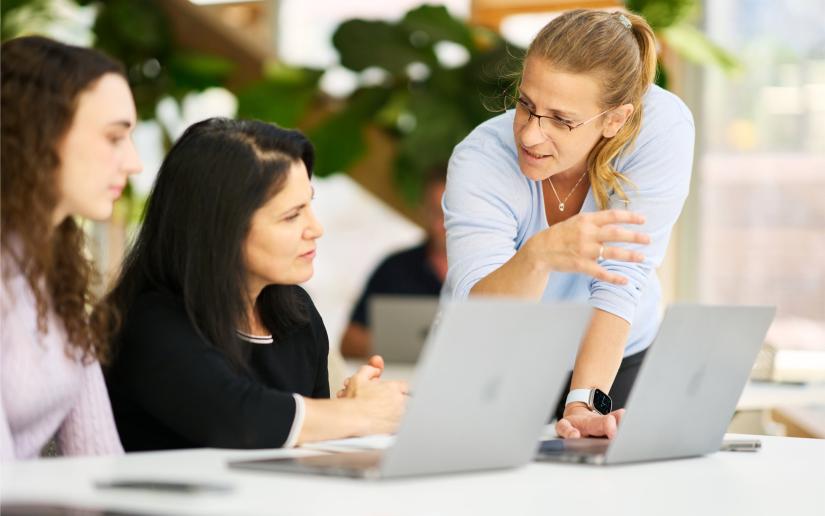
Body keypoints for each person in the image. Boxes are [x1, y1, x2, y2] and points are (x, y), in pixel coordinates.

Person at [442, 10, 694, 439]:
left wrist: (582, 402)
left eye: (561, 120)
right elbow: (482, 317)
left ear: (615, 120)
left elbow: (622, 278)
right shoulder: (482, 160)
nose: (530, 136)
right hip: (499, 353)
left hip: (615, 354)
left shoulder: (660, 128)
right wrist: (537, 257)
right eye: (525, 104)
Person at [103, 118, 408, 451]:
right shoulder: (149, 319)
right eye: (292, 215)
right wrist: (355, 413)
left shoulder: (297, 313)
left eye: (310, 205)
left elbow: (298, 446)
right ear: (222, 228)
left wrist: (344, 413)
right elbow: (237, 418)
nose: (315, 228)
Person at [1, 36, 143, 460]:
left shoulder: (53, 268)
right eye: (114, 137)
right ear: (38, 133)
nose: (134, 163)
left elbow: (99, 458)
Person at [340, 167, 447, 358]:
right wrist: (404, 346)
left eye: (449, 213)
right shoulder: (395, 268)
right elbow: (349, 342)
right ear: (423, 210)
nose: (441, 225)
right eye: (434, 213)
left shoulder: (496, 271)